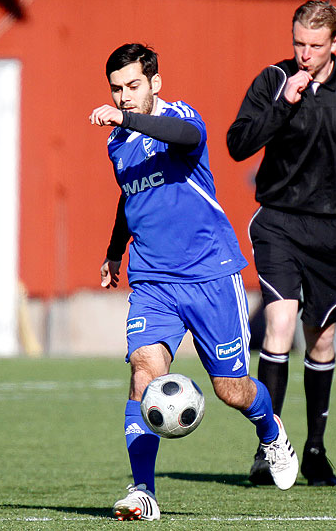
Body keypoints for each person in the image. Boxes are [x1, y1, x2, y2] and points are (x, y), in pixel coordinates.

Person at [90, 43, 298, 521]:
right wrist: (113, 251)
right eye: (117, 90)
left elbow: (183, 134)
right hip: (154, 283)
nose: (124, 97)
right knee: (143, 372)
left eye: (133, 86)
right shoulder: (117, 143)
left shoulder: (179, 118)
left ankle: (270, 431)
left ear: (155, 83)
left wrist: (125, 119)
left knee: (231, 390)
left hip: (209, 276)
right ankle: (143, 491)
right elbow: (129, 198)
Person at [227, 0, 336, 487]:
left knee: (322, 337)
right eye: (298, 43)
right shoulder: (273, 81)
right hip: (278, 222)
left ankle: (316, 450)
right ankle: (270, 447)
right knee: (278, 323)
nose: (304, 53)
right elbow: (238, 144)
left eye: (315, 46)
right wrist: (284, 105)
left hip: (335, 229)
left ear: (335, 44)